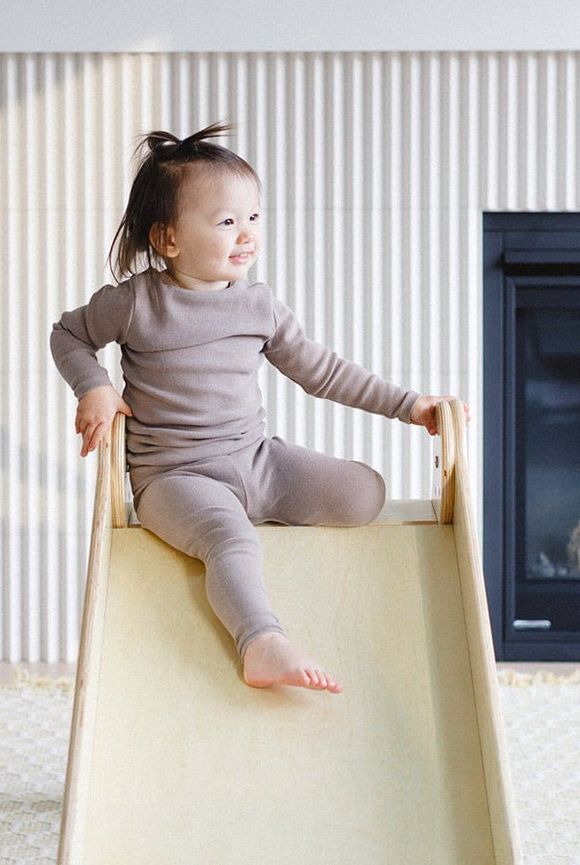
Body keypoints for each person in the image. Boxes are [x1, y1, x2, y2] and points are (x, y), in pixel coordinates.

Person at [51, 122, 459, 694]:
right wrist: (92, 385)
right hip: (174, 477)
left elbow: (322, 371)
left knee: (364, 493)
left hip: (254, 459)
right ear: (168, 239)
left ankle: (258, 508)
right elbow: (67, 335)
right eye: (226, 222)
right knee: (230, 537)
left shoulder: (259, 305)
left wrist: (409, 405)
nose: (246, 234)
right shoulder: (136, 302)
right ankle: (262, 643)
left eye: (254, 217)